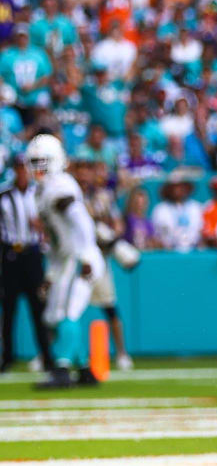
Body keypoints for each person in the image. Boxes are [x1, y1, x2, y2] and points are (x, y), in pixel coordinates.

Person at [26, 135, 104, 388]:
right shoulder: (42, 191)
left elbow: (81, 222)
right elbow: (58, 242)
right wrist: (51, 276)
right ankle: (84, 371)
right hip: (66, 259)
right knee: (53, 315)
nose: (38, 167)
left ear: (56, 160)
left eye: (43, 161)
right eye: (34, 162)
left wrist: (85, 256)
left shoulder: (60, 185)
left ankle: (61, 370)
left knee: (69, 311)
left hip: (82, 258)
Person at [73, 159, 134, 371]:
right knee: (64, 309)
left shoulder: (102, 197)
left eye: (87, 172)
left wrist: (111, 236)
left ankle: (122, 353)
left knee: (110, 308)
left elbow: (117, 224)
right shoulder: (69, 195)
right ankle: (53, 353)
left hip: (98, 257)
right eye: (80, 172)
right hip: (74, 259)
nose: (84, 177)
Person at [0, 154, 52, 372]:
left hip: (32, 255)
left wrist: (41, 226)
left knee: (39, 308)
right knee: (9, 311)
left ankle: (46, 356)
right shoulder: (4, 195)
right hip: (11, 254)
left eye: (25, 168)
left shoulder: (39, 194)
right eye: (19, 168)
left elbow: (50, 224)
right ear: (14, 170)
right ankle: (8, 356)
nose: (22, 172)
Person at [151, 172, 204, 252]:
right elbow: (158, 233)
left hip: (194, 251)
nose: (177, 190)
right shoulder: (160, 209)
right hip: (169, 252)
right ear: (168, 189)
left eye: (180, 186)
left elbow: (200, 230)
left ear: (187, 188)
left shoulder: (196, 207)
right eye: (174, 187)